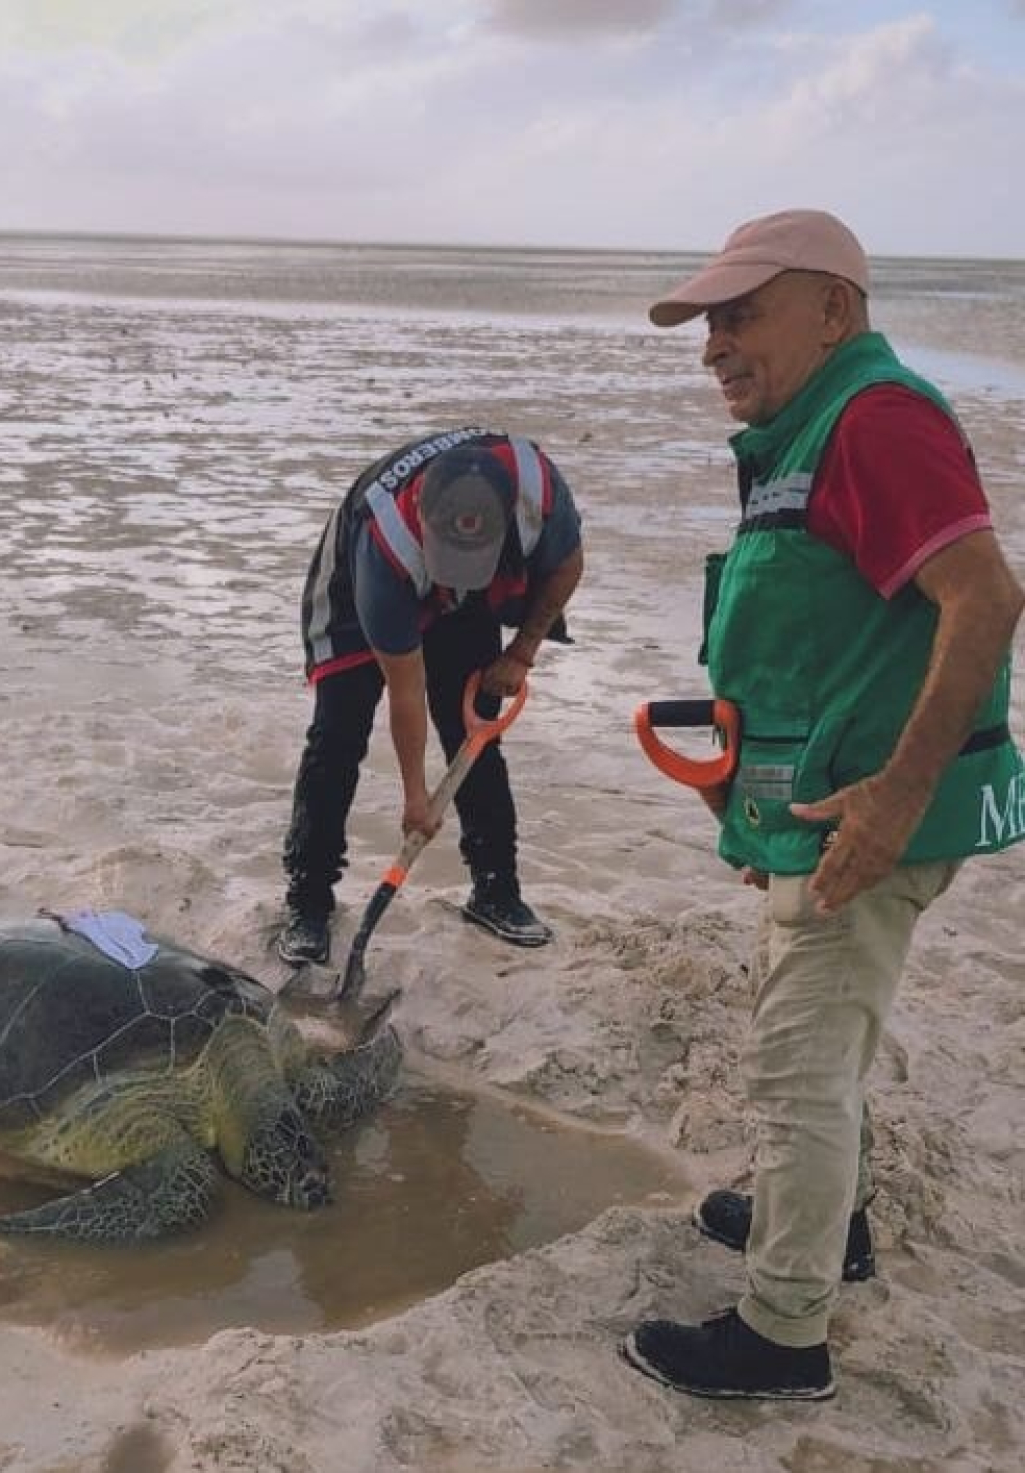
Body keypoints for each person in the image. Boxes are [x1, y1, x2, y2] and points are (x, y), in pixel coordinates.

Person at [622, 209, 1025, 1401]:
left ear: (833, 310)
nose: (713, 347)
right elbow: (823, 651)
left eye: (741, 314)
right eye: (708, 323)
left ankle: (784, 1335)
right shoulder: (811, 428)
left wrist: (896, 801)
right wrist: (754, 820)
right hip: (817, 812)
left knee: (796, 1064)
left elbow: (986, 598)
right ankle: (827, 1221)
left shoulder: (875, 420)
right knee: (820, 1030)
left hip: (870, 820)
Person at [277, 428, 584, 965]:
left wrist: (523, 650)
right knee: (337, 737)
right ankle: (308, 901)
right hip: (355, 591)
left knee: (474, 738)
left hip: (467, 601)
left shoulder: (540, 498)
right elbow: (406, 688)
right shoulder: (385, 544)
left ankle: (496, 890)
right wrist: (416, 797)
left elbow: (566, 566)